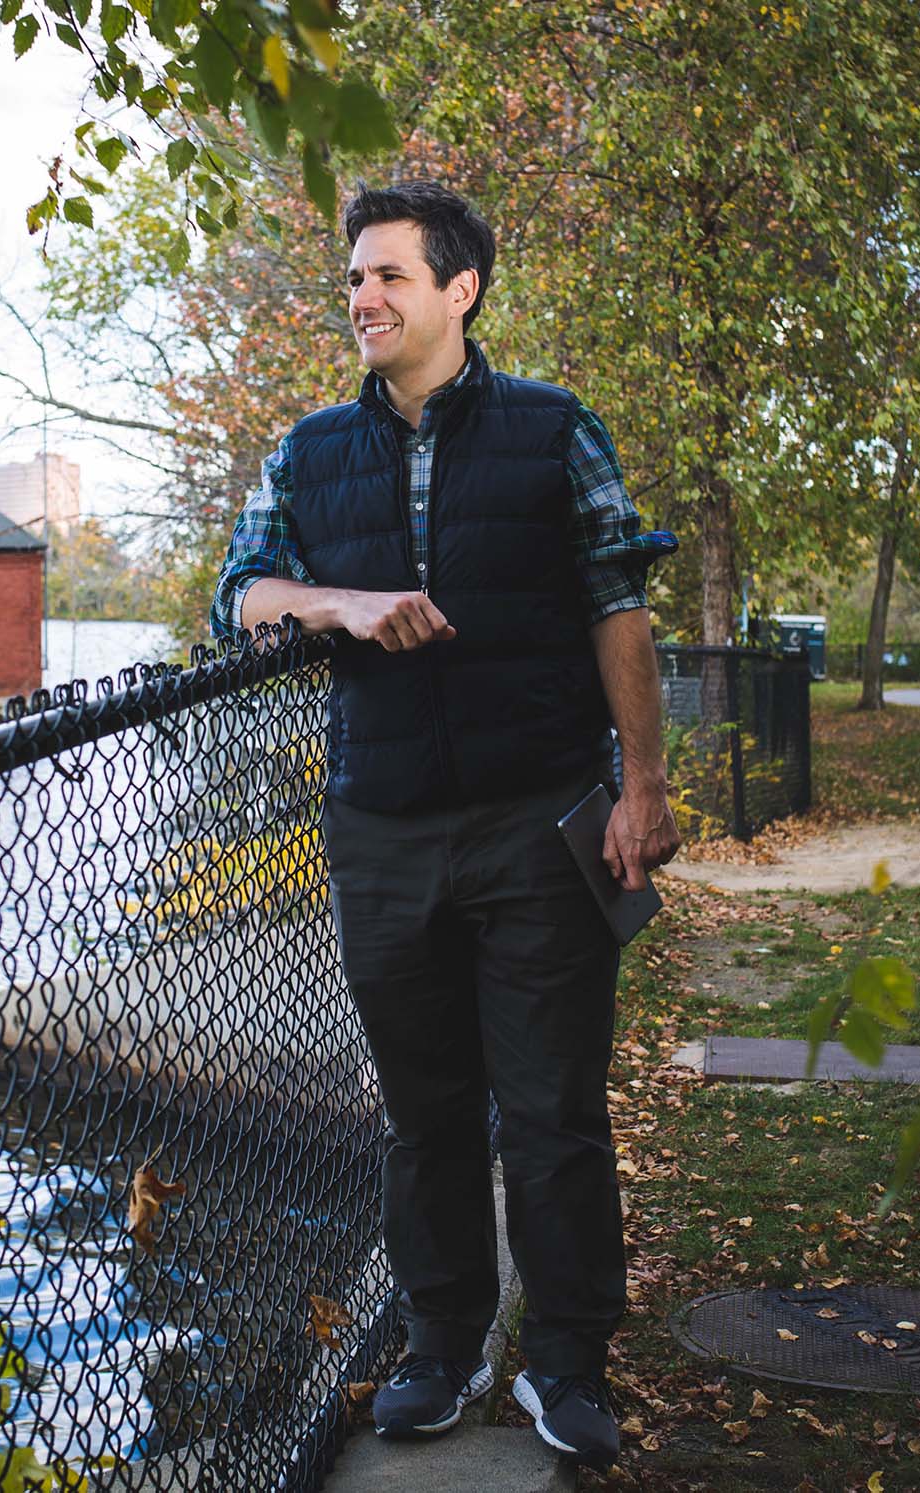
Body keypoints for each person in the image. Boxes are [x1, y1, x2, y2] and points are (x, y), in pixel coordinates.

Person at [210, 180, 680, 1471]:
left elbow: (617, 604)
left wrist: (643, 784)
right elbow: (238, 597)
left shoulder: (553, 429)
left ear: (459, 290)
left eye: (388, 277)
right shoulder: (307, 452)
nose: (361, 298)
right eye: (353, 279)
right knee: (424, 1114)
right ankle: (443, 1344)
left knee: (553, 1110)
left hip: (542, 821)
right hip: (384, 827)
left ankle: (569, 1360)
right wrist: (338, 605)